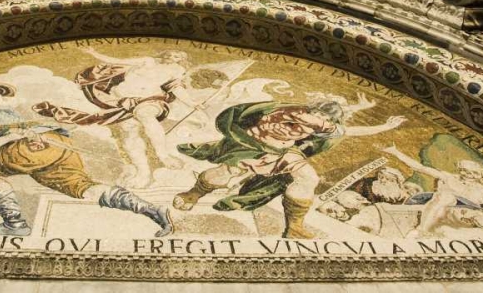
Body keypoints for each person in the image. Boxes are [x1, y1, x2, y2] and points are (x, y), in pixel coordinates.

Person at [0, 84, 174, 237]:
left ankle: (16, 224)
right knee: (82, 187)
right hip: (55, 147)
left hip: (30, 148)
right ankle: (152, 210)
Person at [173, 96, 405, 239]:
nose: (319, 117)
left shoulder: (318, 121)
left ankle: (294, 227)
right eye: (318, 112)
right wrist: (343, 115)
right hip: (253, 146)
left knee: (308, 178)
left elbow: (346, 131)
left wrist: (383, 126)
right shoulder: (293, 111)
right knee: (226, 173)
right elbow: (320, 123)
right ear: (312, 109)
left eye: (324, 116)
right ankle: (193, 194)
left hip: (283, 153)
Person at [33, 47, 191, 187]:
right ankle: (142, 172)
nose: (173, 58)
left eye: (178, 57)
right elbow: (118, 61)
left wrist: (192, 102)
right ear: (165, 53)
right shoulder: (147, 61)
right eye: (172, 54)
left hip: (150, 99)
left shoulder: (176, 71)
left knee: (145, 115)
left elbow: (176, 88)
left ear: (181, 60)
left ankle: (163, 155)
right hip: (122, 101)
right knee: (130, 135)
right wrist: (94, 53)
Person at [382, 145, 483, 236]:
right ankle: (422, 231)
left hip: (466, 216)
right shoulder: (448, 177)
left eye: (473, 173)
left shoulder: (482, 191)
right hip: (441, 209)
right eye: (464, 171)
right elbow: (419, 167)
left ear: (479, 176)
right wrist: (396, 152)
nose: (467, 175)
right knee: (447, 196)